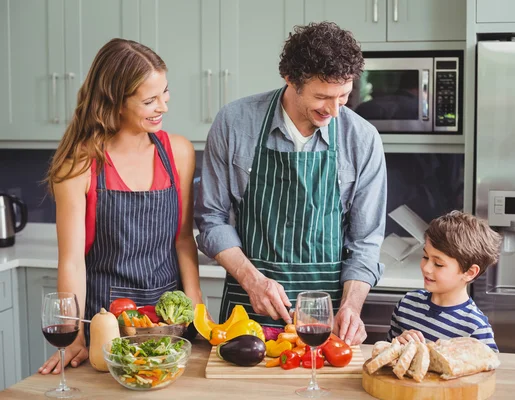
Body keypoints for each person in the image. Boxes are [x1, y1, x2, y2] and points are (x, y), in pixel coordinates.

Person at [195, 21, 387, 345]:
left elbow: (365, 241)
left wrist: (352, 307)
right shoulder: (234, 123)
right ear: (290, 79)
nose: (334, 110)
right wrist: (252, 280)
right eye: (323, 97)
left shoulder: (362, 139)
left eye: (344, 96)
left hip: (326, 321)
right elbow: (211, 219)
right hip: (247, 311)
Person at [40, 38, 204, 375]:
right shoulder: (79, 165)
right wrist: (72, 336)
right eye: (149, 100)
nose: (164, 107)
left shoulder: (179, 152)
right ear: (114, 102)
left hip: (169, 324)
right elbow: (71, 261)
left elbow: (184, 240)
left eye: (165, 94)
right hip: (105, 323)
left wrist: (196, 306)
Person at [388, 211, 501, 352]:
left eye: (438, 264)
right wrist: (396, 345)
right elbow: (388, 357)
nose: (426, 268)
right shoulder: (406, 305)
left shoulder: (476, 328)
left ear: (469, 272)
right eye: (425, 256)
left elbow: (488, 372)